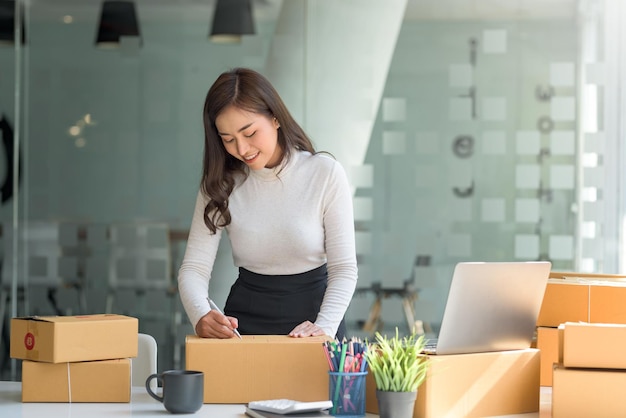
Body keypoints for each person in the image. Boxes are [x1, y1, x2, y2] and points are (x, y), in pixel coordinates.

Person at [177, 67, 358, 340]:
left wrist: (325, 327)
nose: (241, 149)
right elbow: (194, 268)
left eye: (249, 133)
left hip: (317, 320)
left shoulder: (324, 173)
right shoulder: (220, 184)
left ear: (274, 118)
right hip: (244, 325)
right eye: (228, 139)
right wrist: (200, 314)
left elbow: (344, 268)